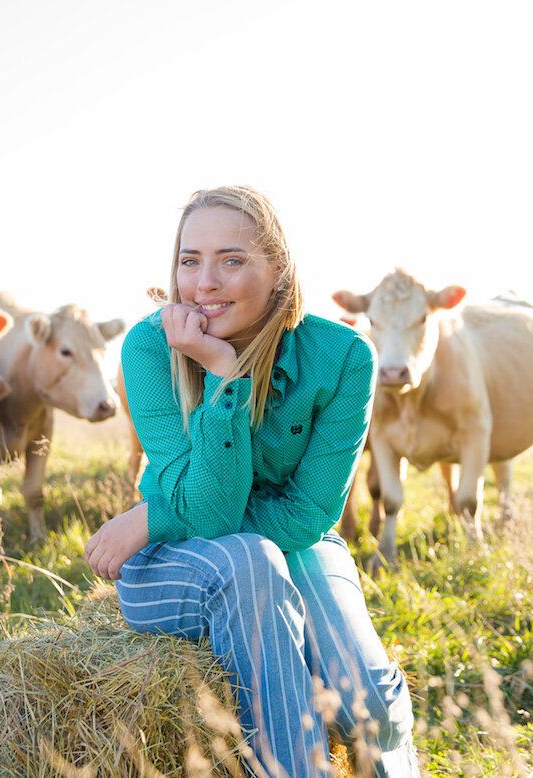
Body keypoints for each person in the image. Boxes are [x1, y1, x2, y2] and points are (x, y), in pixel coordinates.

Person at [84, 185, 418, 777]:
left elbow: (310, 514)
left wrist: (153, 512)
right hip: (175, 564)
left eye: (231, 260)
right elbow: (209, 523)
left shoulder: (343, 357)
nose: (204, 282)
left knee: (376, 715)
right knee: (247, 559)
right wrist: (222, 372)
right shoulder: (148, 347)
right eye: (190, 261)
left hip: (294, 541)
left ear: (280, 272)